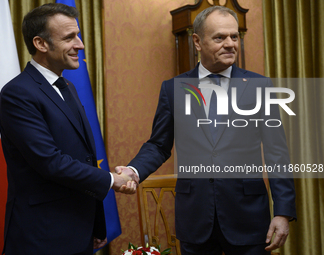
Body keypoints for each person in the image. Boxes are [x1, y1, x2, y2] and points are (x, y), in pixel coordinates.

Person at [117, 6, 296, 255]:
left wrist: (283, 212)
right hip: (195, 219)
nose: (230, 44)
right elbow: (159, 145)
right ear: (197, 42)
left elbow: (278, 153)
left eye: (235, 37)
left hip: (248, 219)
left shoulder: (259, 86)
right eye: (220, 37)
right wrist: (134, 171)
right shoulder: (173, 89)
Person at [0, 3, 137, 255]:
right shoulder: (17, 93)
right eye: (69, 37)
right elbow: (50, 161)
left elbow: (83, 158)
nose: (81, 45)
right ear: (41, 44)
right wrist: (112, 180)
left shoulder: (68, 88)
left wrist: (96, 225)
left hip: (79, 230)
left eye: (79, 35)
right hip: (42, 236)